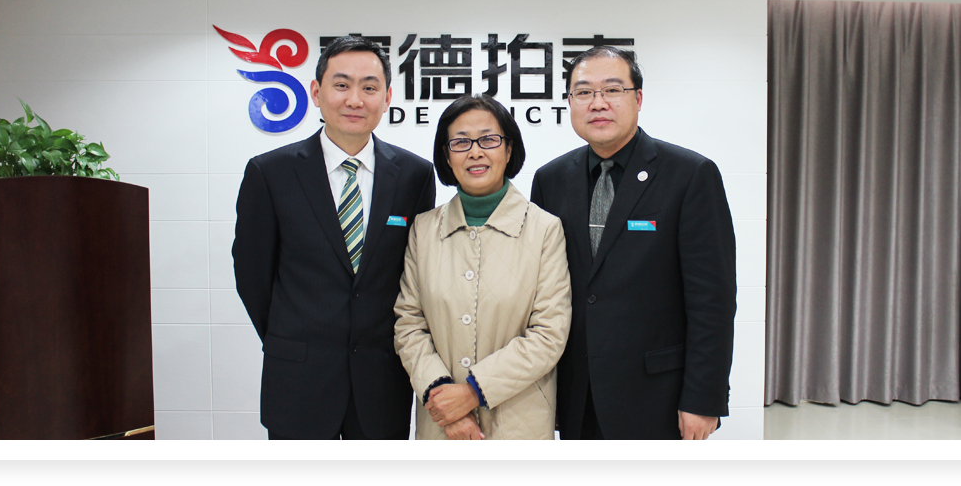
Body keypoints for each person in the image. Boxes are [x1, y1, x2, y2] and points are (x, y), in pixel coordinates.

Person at [233, 36, 436, 439]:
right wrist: (293, 339)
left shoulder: (414, 175)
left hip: (381, 381)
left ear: (387, 97)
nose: (354, 100)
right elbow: (252, 277)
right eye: (341, 85)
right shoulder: (270, 173)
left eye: (369, 87)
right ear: (316, 92)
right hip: (298, 380)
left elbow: (414, 274)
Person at [530, 46, 737, 440]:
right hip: (577, 395)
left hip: (657, 396)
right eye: (584, 92)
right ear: (570, 102)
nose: (598, 103)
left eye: (613, 90)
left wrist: (704, 398)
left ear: (638, 98)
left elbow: (713, 300)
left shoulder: (690, 175)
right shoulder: (551, 179)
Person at [394, 95, 571, 440]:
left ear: (509, 149)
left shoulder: (545, 229)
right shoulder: (423, 229)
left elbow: (549, 333)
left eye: (488, 139)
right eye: (460, 142)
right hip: (442, 421)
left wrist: (473, 392)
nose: (475, 152)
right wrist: (443, 397)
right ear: (446, 156)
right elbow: (408, 323)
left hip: (519, 422)